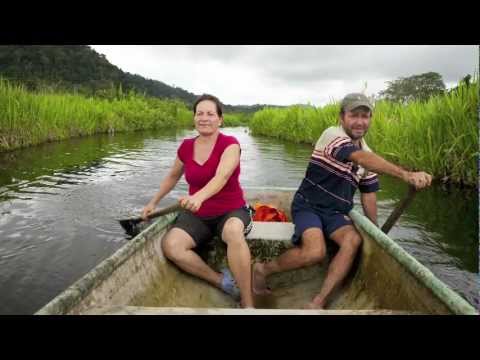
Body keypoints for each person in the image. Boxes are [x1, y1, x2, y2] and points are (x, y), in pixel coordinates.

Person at [252, 93, 433, 309]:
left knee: (353, 241)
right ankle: (263, 269)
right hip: (308, 204)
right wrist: (405, 175)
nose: (359, 121)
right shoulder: (332, 135)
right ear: (342, 117)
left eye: (365, 116)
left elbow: (368, 193)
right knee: (315, 251)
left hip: (335, 213)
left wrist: (376, 233)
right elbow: (358, 158)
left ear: (370, 119)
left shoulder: (369, 155)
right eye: (353, 115)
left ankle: (319, 301)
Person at [142, 94, 254, 308]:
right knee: (171, 246)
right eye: (199, 113)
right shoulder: (185, 147)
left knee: (232, 231)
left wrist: (199, 197)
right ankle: (221, 281)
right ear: (194, 118)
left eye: (210, 114)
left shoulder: (230, 144)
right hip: (199, 214)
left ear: (220, 119)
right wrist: (153, 202)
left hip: (230, 210)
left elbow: (221, 177)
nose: (204, 118)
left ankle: (248, 304)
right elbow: (173, 176)